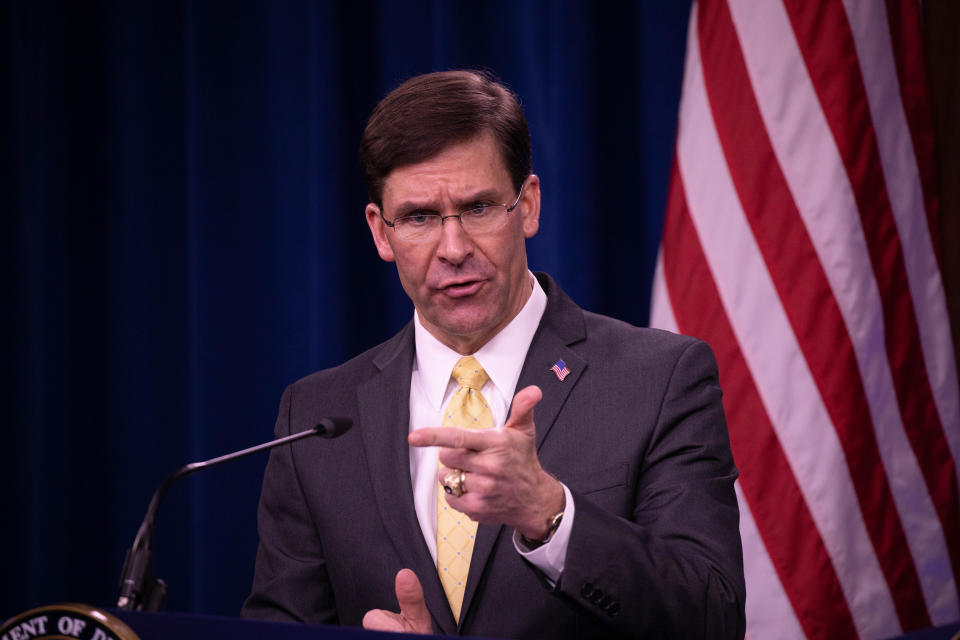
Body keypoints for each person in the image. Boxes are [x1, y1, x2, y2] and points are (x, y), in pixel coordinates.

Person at [242, 70, 745, 639]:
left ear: (527, 205)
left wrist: (552, 515)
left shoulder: (658, 379)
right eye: (419, 218)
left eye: (478, 208)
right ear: (380, 233)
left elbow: (714, 617)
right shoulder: (314, 417)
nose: (453, 249)